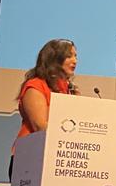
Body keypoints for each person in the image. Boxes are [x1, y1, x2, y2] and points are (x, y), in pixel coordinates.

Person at [11, 38, 79, 177]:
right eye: (69, 56)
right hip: (31, 157)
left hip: (59, 159)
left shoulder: (69, 90)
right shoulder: (35, 86)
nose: (75, 61)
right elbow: (40, 127)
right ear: (54, 58)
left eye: (75, 56)